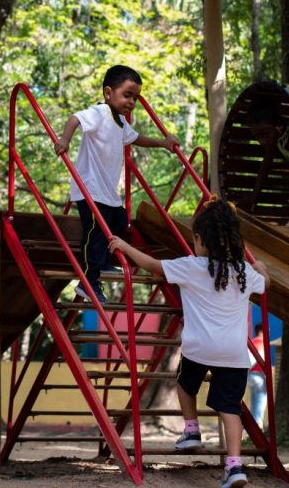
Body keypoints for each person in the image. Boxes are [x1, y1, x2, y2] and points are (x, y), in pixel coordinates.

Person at [108, 199, 269, 488]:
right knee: (230, 410)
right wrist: (262, 267)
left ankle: (192, 429)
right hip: (234, 353)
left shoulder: (191, 267)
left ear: (200, 240)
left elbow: (153, 265)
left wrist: (125, 247)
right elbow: (266, 284)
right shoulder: (244, 272)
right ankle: (235, 466)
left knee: (184, 384)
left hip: (199, 348)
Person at [53, 65, 179, 302]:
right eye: (127, 95)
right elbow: (75, 119)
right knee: (95, 232)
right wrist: (65, 140)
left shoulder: (120, 121)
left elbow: (137, 138)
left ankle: (102, 263)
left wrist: (163, 143)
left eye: (136, 98)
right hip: (89, 188)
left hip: (106, 192)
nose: (132, 102)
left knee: (120, 222)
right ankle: (88, 282)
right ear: (108, 93)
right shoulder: (100, 112)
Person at [246, 323, 268, 430]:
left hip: (249, 376)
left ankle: (253, 423)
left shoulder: (252, 342)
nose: (268, 334)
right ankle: (258, 423)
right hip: (258, 375)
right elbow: (256, 358)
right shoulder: (261, 342)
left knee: (254, 399)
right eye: (267, 331)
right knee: (261, 400)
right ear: (261, 331)